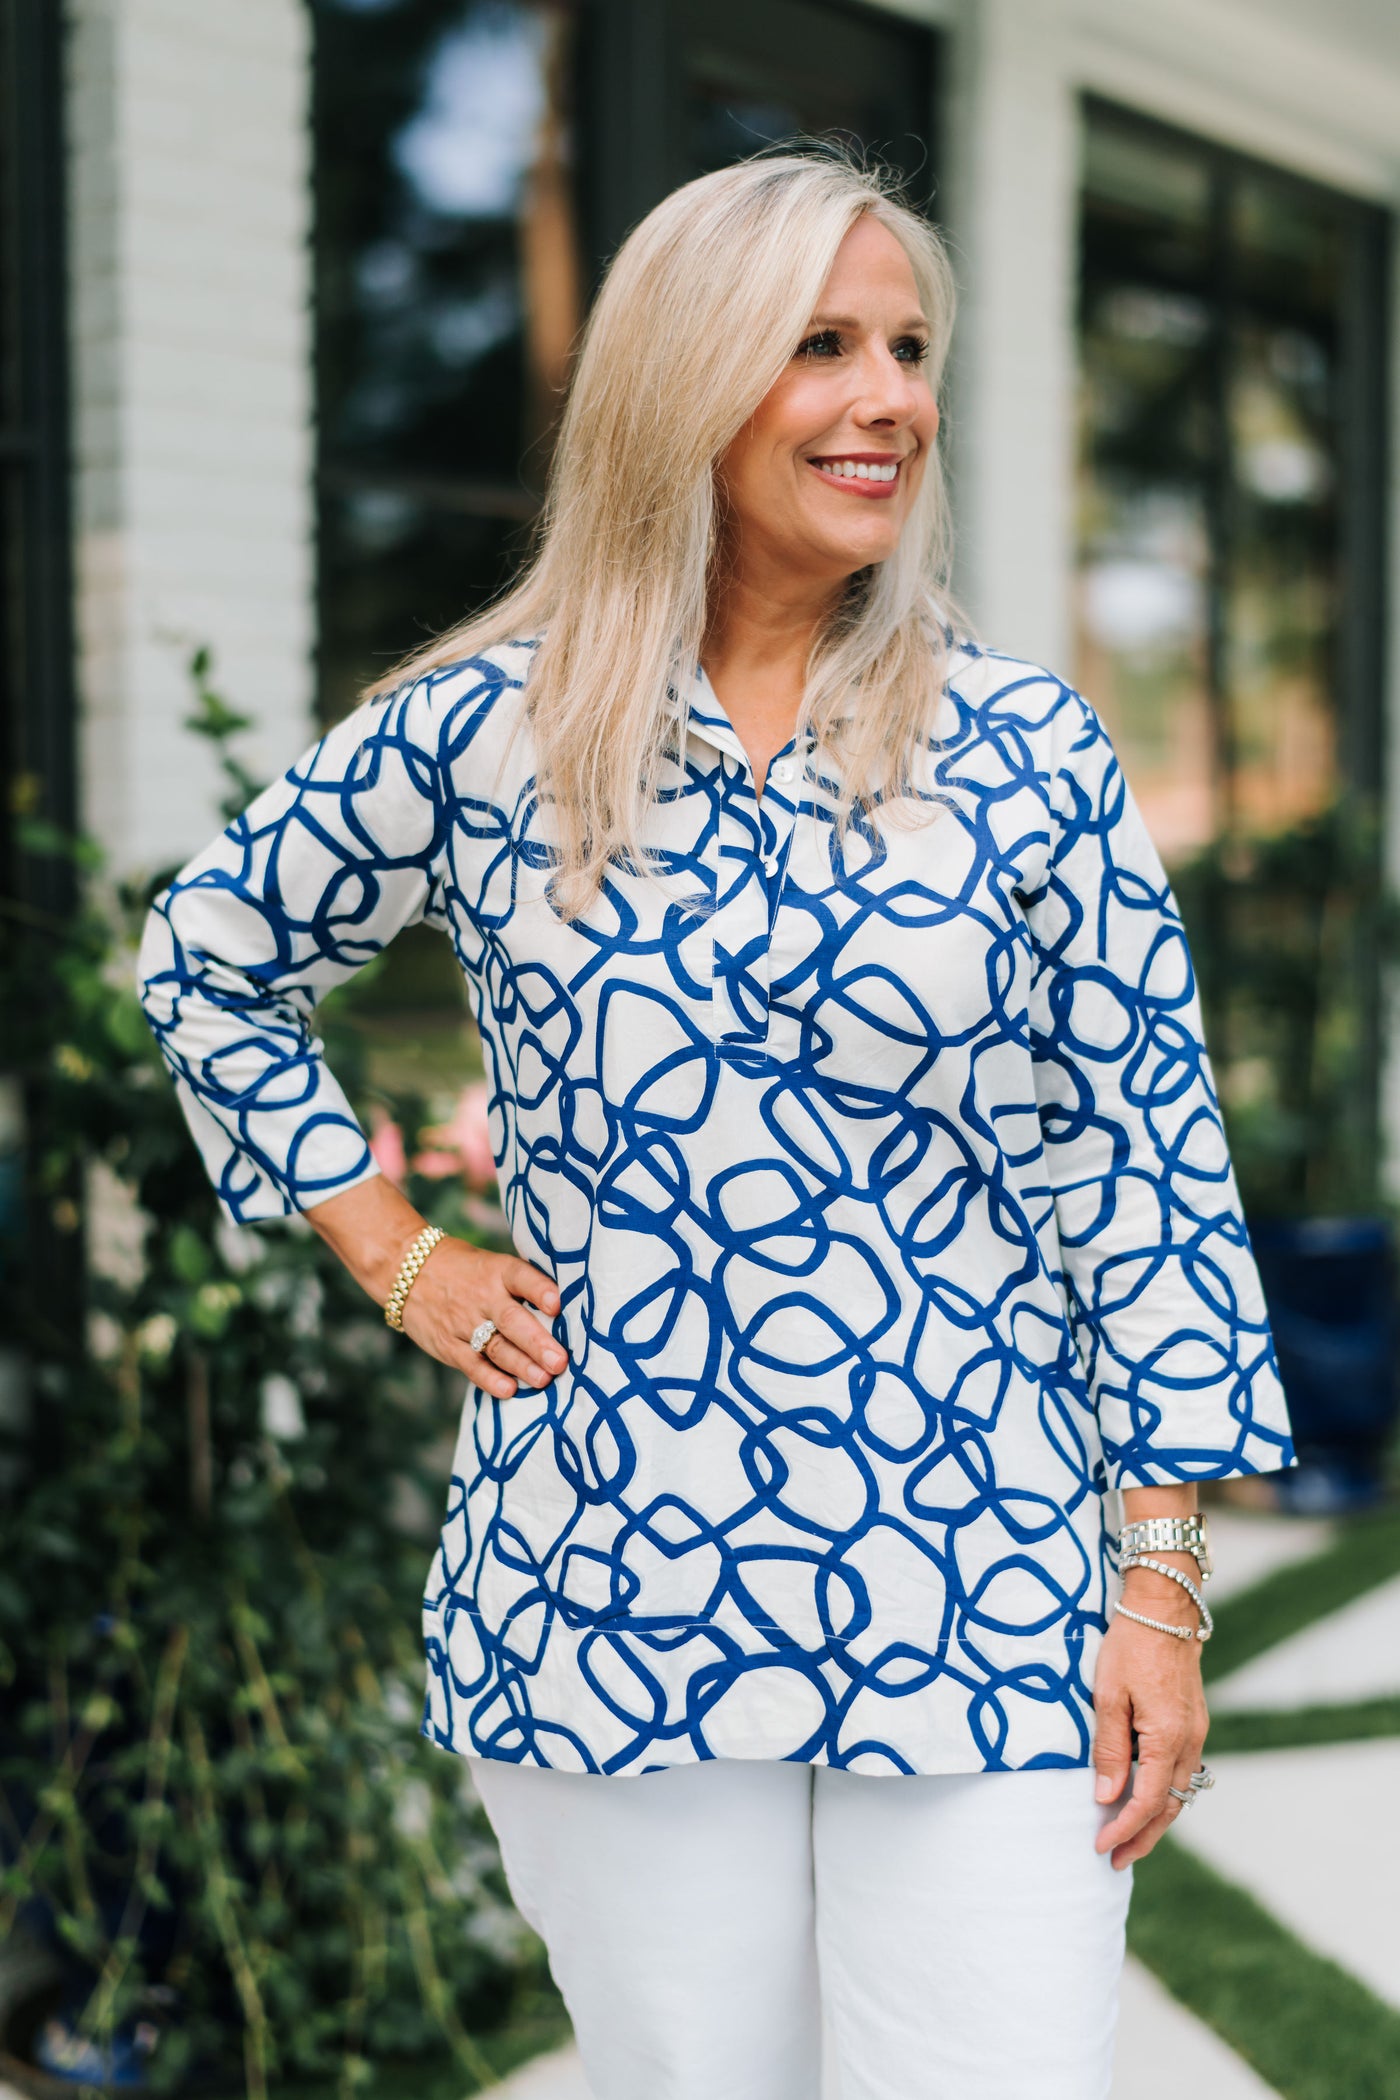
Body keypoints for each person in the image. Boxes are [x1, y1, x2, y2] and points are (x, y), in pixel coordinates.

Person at [138, 151, 1294, 2100]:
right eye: (820, 344)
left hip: (985, 1570)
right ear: (687, 379)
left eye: (909, 348)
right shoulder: (488, 738)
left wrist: (1158, 1582)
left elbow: (1146, 1173)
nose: (888, 397)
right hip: (611, 1582)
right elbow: (212, 953)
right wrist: (392, 1248)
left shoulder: (1023, 753)